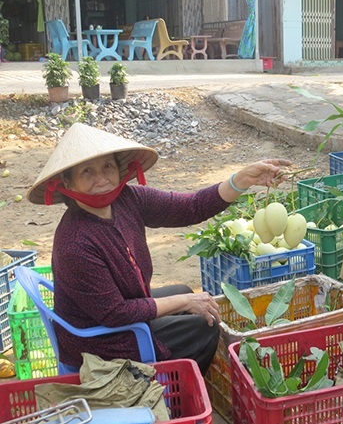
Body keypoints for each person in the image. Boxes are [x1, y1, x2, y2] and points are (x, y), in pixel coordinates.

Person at [27, 123, 291, 375]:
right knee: (204, 326)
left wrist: (241, 179)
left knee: (186, 294)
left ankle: (178, 372)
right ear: (68, 184)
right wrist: (186, 302)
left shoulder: (126, 200)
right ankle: (172, 391)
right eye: (87, 171)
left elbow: (190, 207)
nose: (102, 179)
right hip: (100, 345)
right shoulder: (75, 243)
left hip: (118, 312)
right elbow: (115, 313)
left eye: (107, 166)